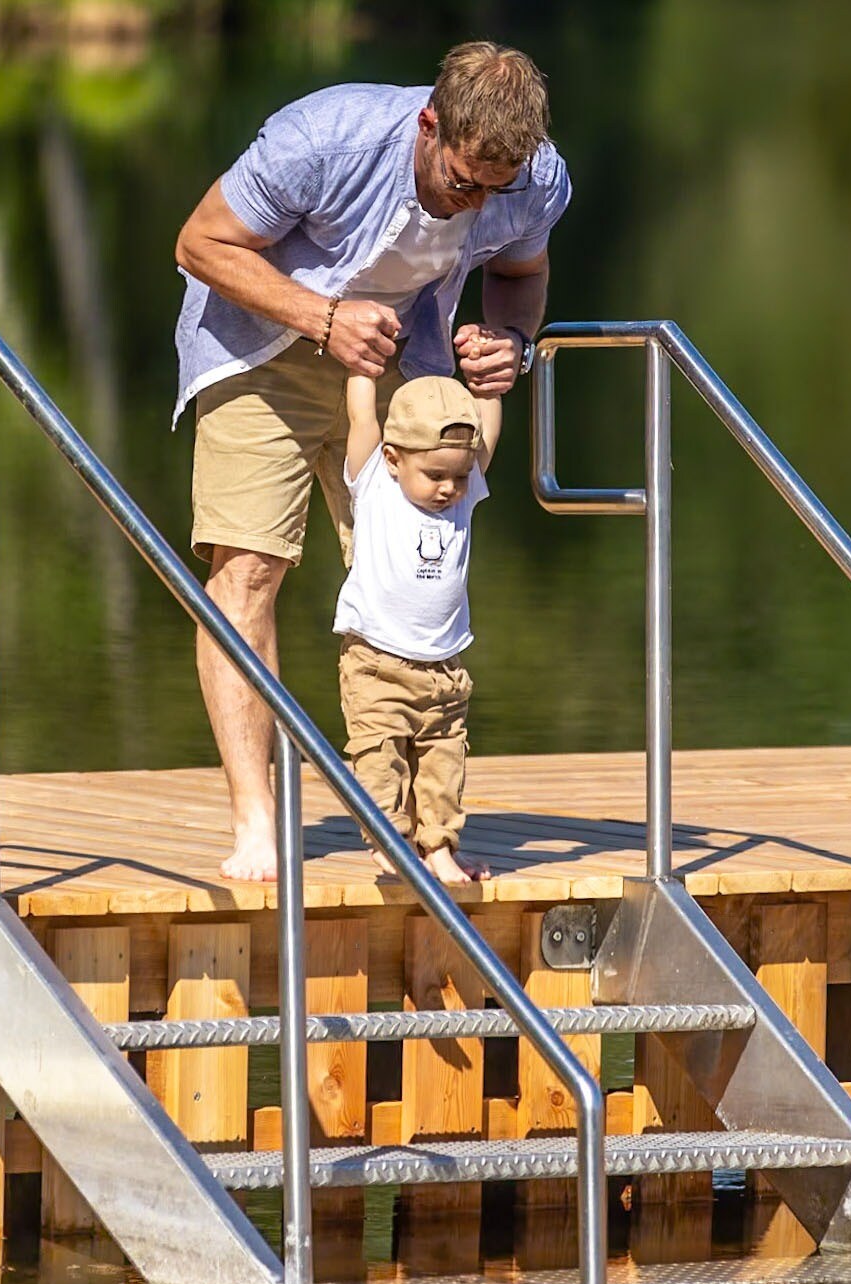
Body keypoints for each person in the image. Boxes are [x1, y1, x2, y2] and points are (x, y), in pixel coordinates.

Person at [172, 42, 568, 880]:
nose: (479, 204)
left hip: (401, 361)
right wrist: (323, 318)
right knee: (247, 572)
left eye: (498, 189)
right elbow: (200, 244)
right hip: (260, 355)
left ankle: (415, 826)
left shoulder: (532, 180)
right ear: (430, 125)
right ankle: (256, 821)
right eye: (465, 183)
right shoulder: (323, 138)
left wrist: (515, 344)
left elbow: (521, 272)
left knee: (410, 578)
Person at [335, 364, 500, 884]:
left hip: (444, 670)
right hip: (377, 664)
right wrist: (362, 366)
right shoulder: (374, 486)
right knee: (379, 760)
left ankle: (439, 850)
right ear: (392, 459)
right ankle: (391, 842)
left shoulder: (464, 491)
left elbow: (488, 433)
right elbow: (362, 415)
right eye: (435, 477)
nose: (449, 489)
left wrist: (489, 387)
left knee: (443, 768)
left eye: (459, 476)